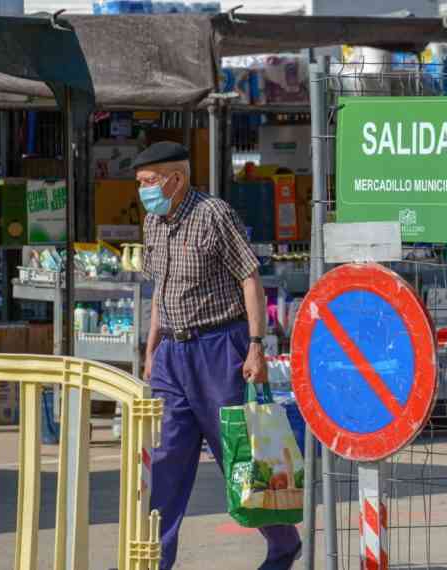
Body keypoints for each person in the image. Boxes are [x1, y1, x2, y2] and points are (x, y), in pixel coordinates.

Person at [136, 141, 302, 570]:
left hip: (219, 350)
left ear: (176, 179)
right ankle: (157, 558)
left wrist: (255, 345)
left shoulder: (214, 214)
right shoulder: (154, 222)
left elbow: (250, 278)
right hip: (173, 354)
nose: (143, 191)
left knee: (239, 457)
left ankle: (283, 543)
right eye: (140, 184)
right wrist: (152, 348)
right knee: (167, 459)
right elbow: (160, 290)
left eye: (149, 182)